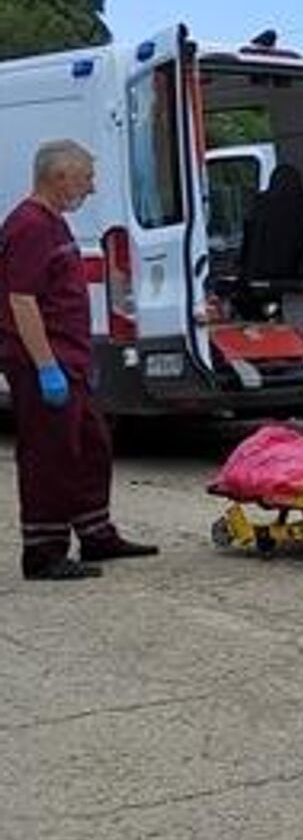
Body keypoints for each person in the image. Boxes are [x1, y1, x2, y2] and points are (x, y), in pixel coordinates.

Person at [0, 140, 158, 581]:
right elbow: (21, 301)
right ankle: (43, 550)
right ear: (60, 176)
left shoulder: (55, 224)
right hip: (43, 361)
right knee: (50, 453)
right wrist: (46, 366)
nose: (91, 188)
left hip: (70, 357)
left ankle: (95, 533)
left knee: (91, 444)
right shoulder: (29, 226)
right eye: (86, 177)